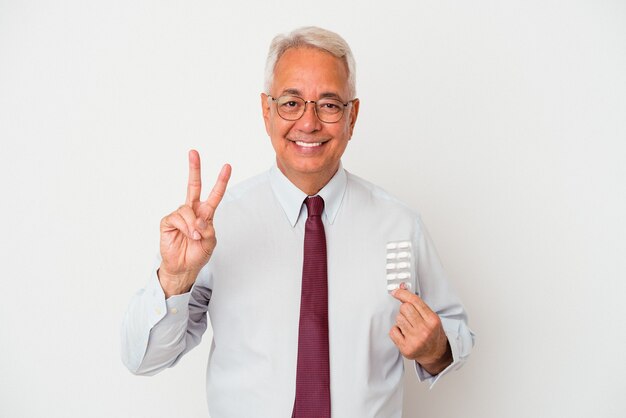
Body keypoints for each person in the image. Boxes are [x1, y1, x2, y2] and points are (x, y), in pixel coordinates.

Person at [121, 26, 474, 417]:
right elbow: (144, 359)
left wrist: (436, 349)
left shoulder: (399, 224)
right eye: (291, 103)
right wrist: (173, 280)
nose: (308, 123)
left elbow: (456, 332)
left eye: (328, 105)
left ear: (352, 116)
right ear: (266, 110)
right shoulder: (214, 229)